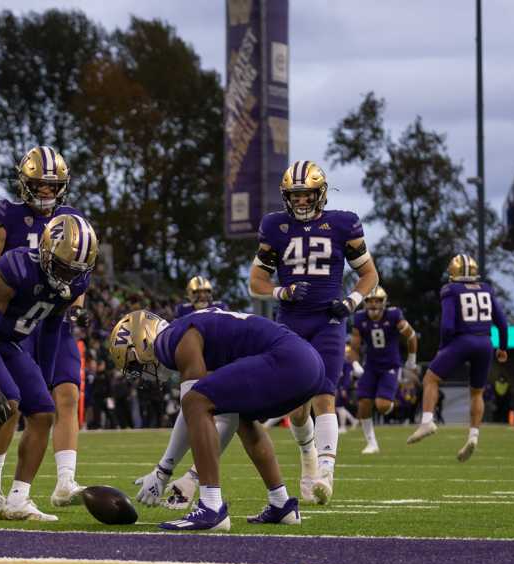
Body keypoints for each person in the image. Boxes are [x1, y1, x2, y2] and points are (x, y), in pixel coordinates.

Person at [110, 308, 324, 531]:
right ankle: (281, 504)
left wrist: (163, 470)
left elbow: (191, 407)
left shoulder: (171, 339)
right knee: (242, 416)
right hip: (306, 362)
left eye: (135, 365)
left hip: (290, 360)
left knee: (196, 401)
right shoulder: (191, 329)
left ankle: (211, 507)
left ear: (142, 341)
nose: (141, 374)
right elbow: (226, 417)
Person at [0, 213, 97, 522]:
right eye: (63, 267)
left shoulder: (76, 280)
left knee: (42, 410)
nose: (68, 277)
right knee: (6, 401)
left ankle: (17, 499)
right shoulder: (16, 267)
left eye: (75, 271)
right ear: (46, 251)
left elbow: (52, 329)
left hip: (10, 343)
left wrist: (45, 376)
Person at [0, 146, 88, 512]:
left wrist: (75, 307)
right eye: (40, 185)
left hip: (53, 318)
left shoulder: (72, 219)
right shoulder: (7, 218)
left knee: (65, 395)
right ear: (25, 183)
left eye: (53, 186)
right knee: (12, 404)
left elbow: (81, 270)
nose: (47, 192)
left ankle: (65, 481)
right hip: (16, 322)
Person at [248, 160, 379, 504]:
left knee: (325, 394)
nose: (302, 202)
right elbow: (256, 281)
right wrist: (282, 291)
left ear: (320, 194)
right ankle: (308, 460)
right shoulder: (275, 227)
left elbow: (369, 276)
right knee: (295, 405)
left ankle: (326, 473)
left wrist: (350, 302)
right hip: (291, 321)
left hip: (328, 320)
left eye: (307, 195)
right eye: (296, 196)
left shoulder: (343, 224)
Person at [135, 277, 233, 510]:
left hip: (226, 362)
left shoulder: (214, 311)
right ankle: (279, 499)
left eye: (205, 292)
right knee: (231, 417)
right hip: (212, 361)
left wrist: (164, 471)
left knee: (224, 413)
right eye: (197, 293)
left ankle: (199, 489)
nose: (202, 297)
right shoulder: (182, 312)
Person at [407, 254, 508, 461]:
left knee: (431, 379)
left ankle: (427, 420)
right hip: (485, 343)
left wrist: (443, 347)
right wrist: (503, 347)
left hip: (462, 341)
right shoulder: (486, 289)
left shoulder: (450, 290)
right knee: (477, 392)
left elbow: (447, 325)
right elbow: (503, 323)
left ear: (453, 272)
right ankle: (473, 435)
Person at [349, 285, 417, 454]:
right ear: (365, 303)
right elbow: (355, 346)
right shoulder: (359, 318)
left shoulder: (394, 315)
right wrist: (355, 364)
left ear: (384, 302)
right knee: (364, 402)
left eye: (377, 300)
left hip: (390, 365)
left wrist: (411, 360)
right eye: (370, 301)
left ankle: (396, 401)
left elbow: (411, 336)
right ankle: (372, 443)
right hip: (371, 365)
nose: (373, 305)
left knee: (382, 406)